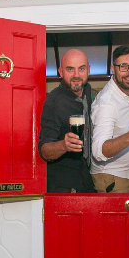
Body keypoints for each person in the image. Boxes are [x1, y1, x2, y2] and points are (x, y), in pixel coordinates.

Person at [90, 45, 129, 193]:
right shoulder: (107, 103)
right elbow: (98, 151)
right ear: (113, 69)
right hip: (112, 178)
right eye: (123, 67)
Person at [38, 49, 96, 193]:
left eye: (81, 69)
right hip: (64, 185)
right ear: (61, 72)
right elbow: (44, 150)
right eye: (70, 69)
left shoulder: (88, 92)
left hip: (86, 179)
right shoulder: (54, 102)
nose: (76, 75)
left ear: (88, 70)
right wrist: (64, 145)